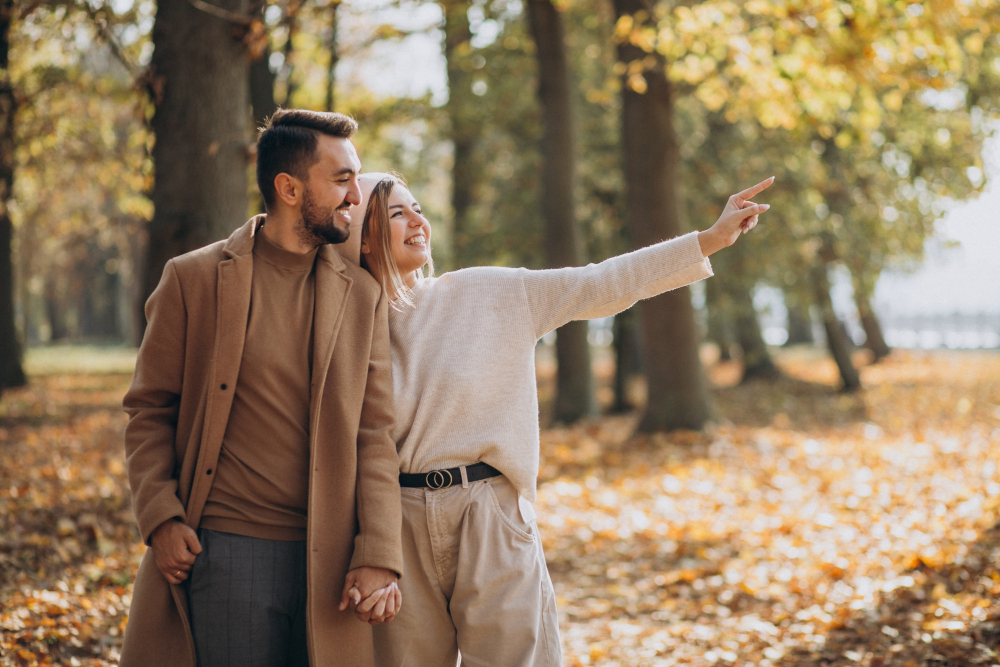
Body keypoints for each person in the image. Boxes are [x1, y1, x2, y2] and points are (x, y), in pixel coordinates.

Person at [339, 171, 773, 666]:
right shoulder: (343, 326)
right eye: (397, 213)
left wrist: (709, 240)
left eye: (418, 207)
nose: (418, 220)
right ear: (362, 236)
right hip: (395, 523)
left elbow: (602, 282)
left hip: (490, 513)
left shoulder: (489, 292)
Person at [120, 110, 404, 667]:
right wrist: (160, 514)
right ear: (290, 188)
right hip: (227, 550)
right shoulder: (193, 278)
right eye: (342, 179)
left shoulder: (362, 296)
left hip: (332, 560)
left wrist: (378, 552)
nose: (356, 196)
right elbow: (149, 409)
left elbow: (375, 434)